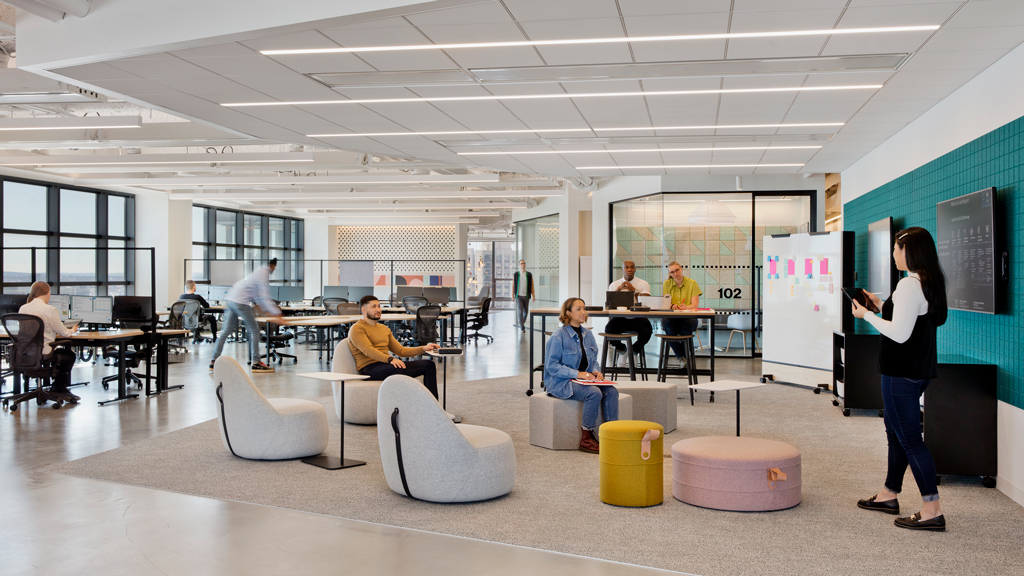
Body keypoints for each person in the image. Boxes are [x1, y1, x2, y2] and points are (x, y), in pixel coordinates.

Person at [852, 227, 949, 531]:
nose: (893, 254)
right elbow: (907, 319)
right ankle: (889, 494)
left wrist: (866, 316)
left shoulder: (908, 285)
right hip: (917, 372)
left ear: (909, 250)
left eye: (896, 248)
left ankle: (932, 509)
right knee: (895, 434)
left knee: (909, 440)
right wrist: (881, 305)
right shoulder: (927, 282)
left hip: (901, 375)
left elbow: (899, 333)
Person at [543, 297, 618, 454]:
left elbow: (594, 360)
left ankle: (612, 435)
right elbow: (551, 366)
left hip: (583, 380)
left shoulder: (588, 334)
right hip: (561, 382)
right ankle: (586, 438)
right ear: (568, 313)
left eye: (584, 308)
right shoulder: (558, 336)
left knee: (611, 391)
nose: (583, 312)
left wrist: (596, 371)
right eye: (578, 309)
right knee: (593, 392)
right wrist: (578, 374)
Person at [349, 295, 440, 397]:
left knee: (429, 365)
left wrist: (423, 348)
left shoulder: (384, 329)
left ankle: (433, 404)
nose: (378, 309)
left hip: (386, 365)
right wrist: (390, 359)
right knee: (399, 370)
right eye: (373, 307)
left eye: (379, 306)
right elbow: (368, 350)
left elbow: (401, 350)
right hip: (369, 368)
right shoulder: (357, 328)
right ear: (364, 310)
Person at [209, 259, 284, 373]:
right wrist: (276, 313)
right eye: (274, 267)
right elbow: (263, 296)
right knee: (254, 330)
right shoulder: (263, 274)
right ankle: (256, 362)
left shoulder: (256, 273)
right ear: (272, 266)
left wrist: (270, 311)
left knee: (225, 331)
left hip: (231, 299)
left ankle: (213, 361)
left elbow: (259, 298)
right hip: (241, 302)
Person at [18, 281, 80, 401]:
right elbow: (64, 333)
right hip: (44, 351)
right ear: (47, 293)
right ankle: (58, 387)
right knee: (69, 355)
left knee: (61, 354)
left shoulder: (23, 308)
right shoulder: (50, 310)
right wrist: (72, 330)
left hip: (26, 352)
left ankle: (55, 387)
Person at [605, 260, 653, 363]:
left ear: (635, 269)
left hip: (638, 318)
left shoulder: (643, 283)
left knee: (647, 331)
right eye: (626, 267)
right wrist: (617, 291)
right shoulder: (614, 284)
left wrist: (634, 290)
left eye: (632, 267)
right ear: (622, 269)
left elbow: (647, 301)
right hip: (620, 318)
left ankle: (634, 351)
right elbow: (609, 305)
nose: (629, 269)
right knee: (608, 330)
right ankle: (623, 350)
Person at [661, 261, 702, 362]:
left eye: (677, 270)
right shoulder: (667, 284)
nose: (675, 273)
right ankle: (681, 357)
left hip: (688, 316)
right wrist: (672, 306)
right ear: (670, 274)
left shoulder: (692, 283)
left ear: (681, 269)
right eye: (672, 272)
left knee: (686, 328)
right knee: (668, 326)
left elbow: (695, 304)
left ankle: (684, 359)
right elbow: (666, 303)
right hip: (672, 316)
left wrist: (686, 307)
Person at [513, 259, 535, 333]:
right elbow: (513, 285)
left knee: (526, 313)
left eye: (524, 263)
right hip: (518, 296)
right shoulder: (516, 274)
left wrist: (533, 295)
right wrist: (512, 295)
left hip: (526, 296)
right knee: (520, 312)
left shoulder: (529, 274)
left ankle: (521, 322)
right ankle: (522, 327)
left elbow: (532, 285)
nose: (523, 265)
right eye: (521, 263)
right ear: (519, 265)